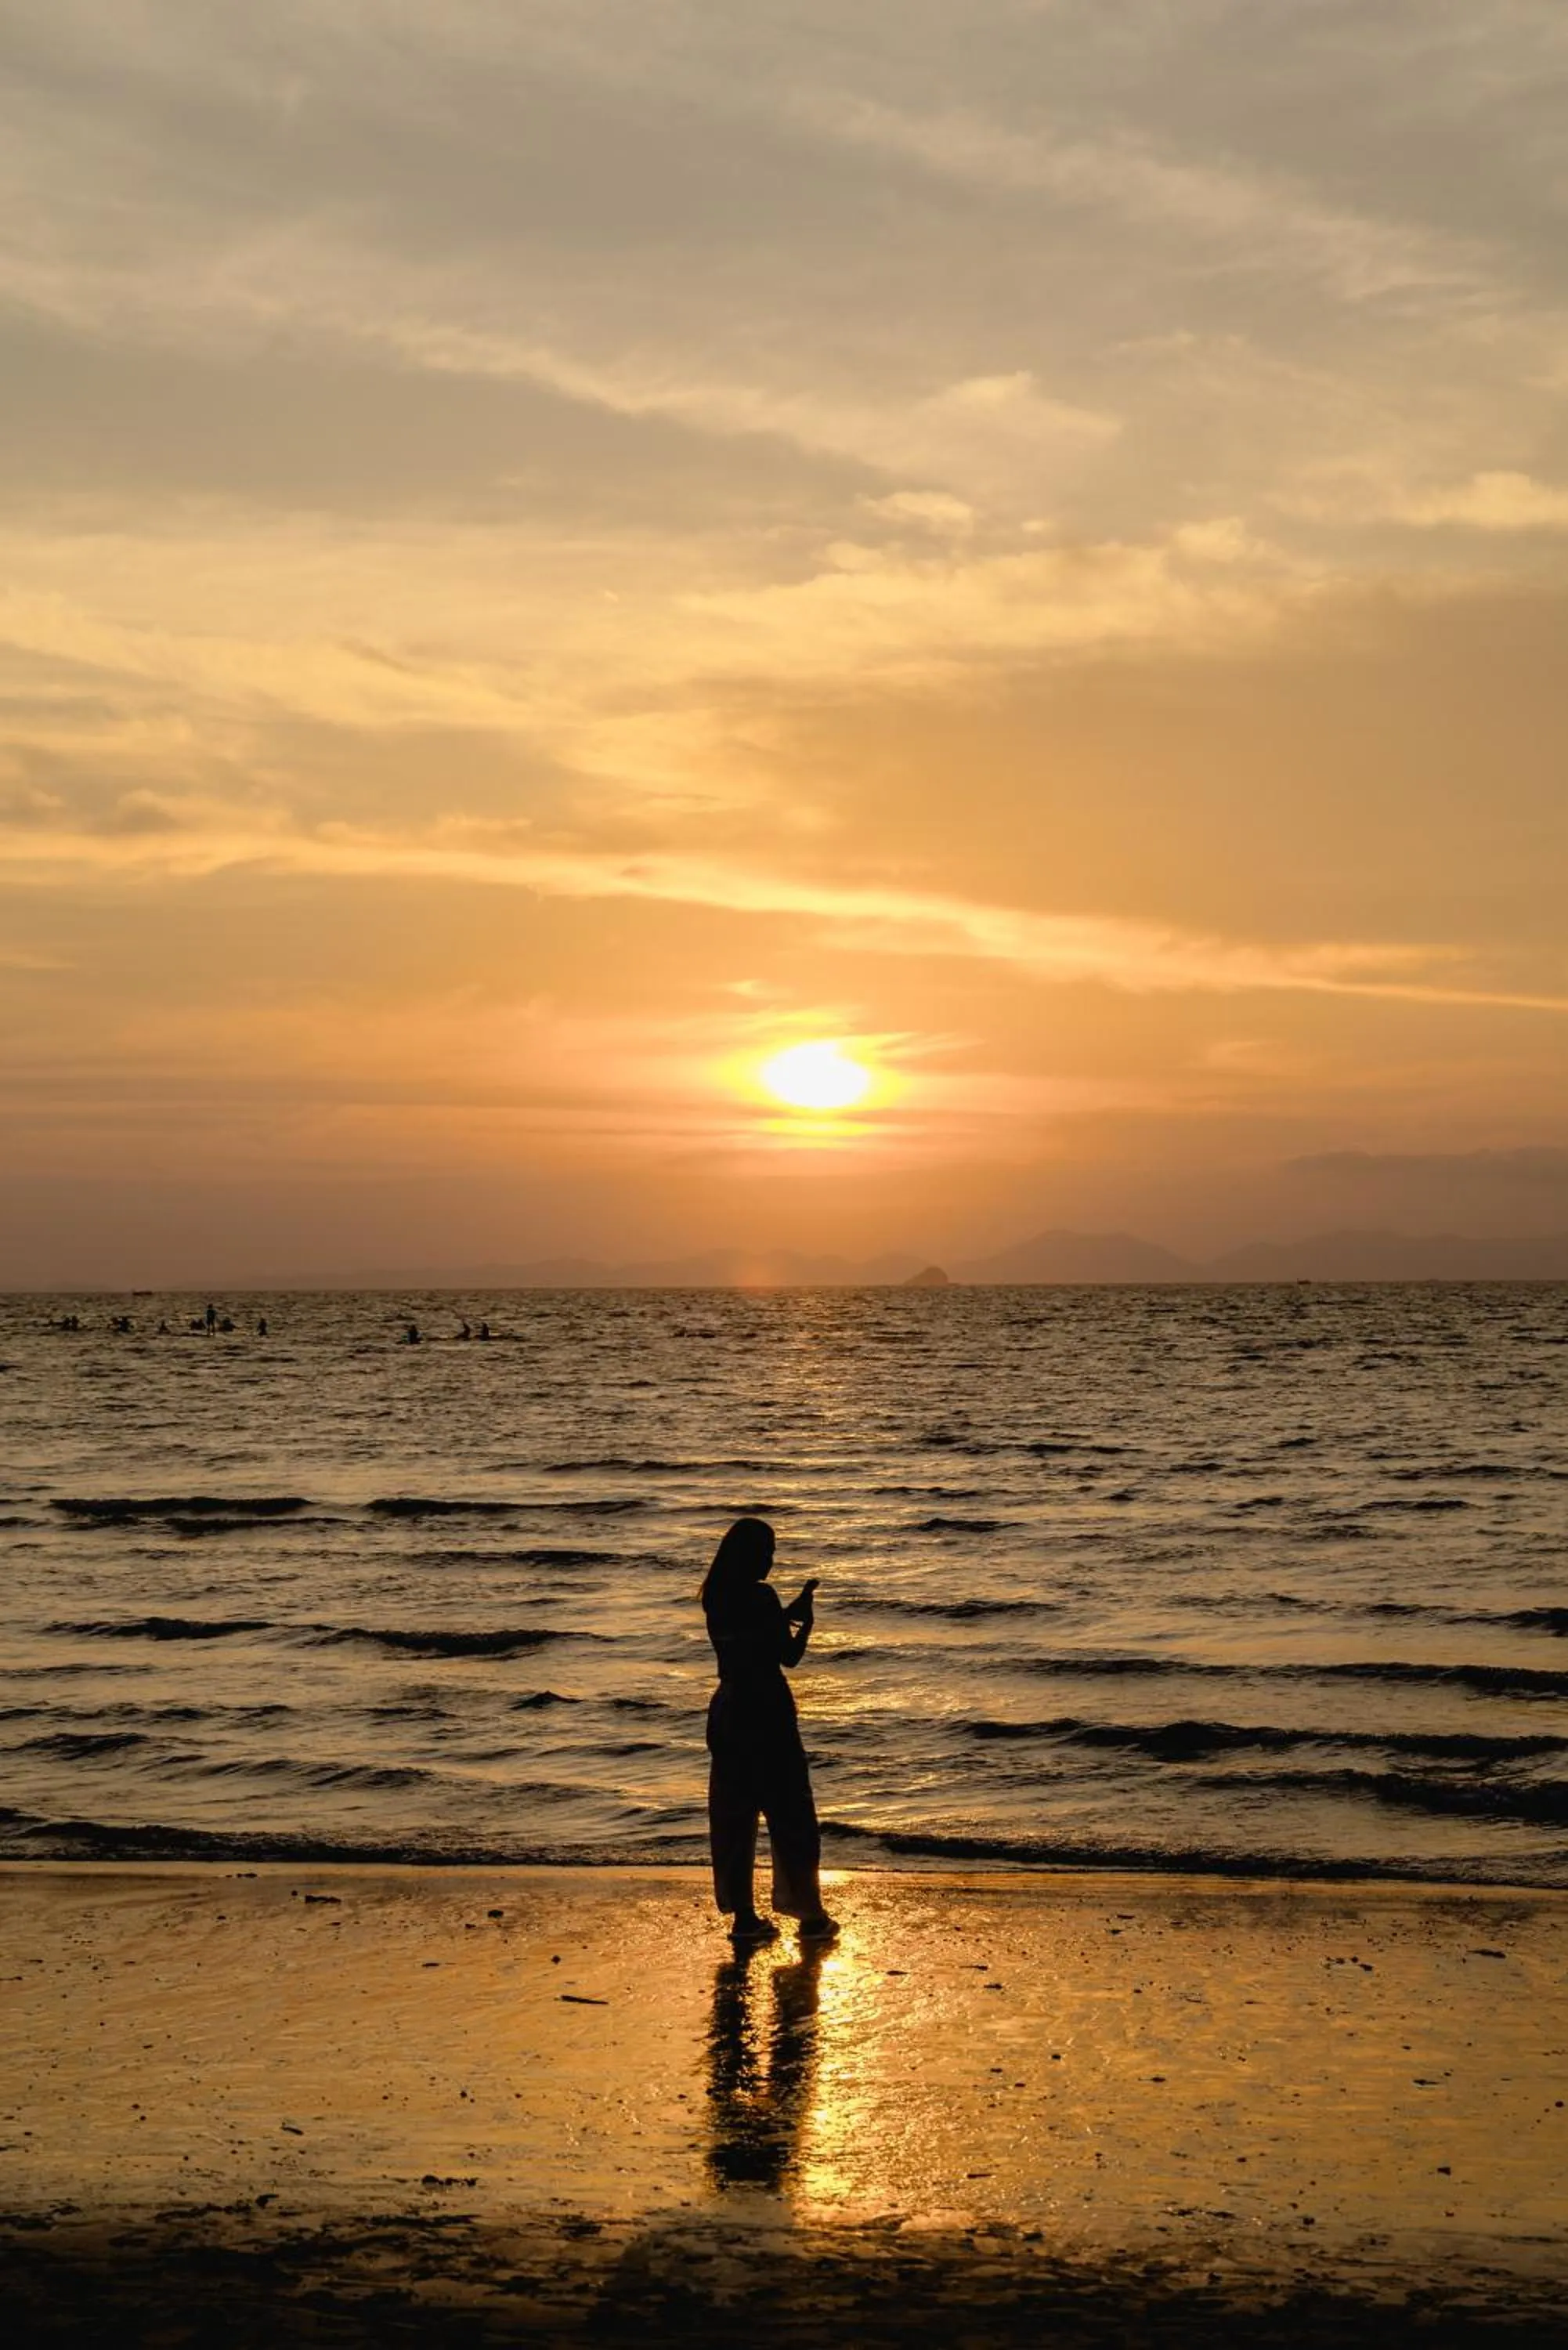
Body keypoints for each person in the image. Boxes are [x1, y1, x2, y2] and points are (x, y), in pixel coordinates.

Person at [701, 1516, 837, 1947]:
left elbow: (752, 1638)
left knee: (733, 1817)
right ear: (750, 1554)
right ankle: (808, 1915)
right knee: (791, 1815)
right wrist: (806, 1622)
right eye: (767, 1552)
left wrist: (785, 1615)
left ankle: (744, 1916)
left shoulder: (717, 1598)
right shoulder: (761, 1597)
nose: (771, 1561)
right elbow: (787, 1656)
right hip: (767, 1711)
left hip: (728, 1710)